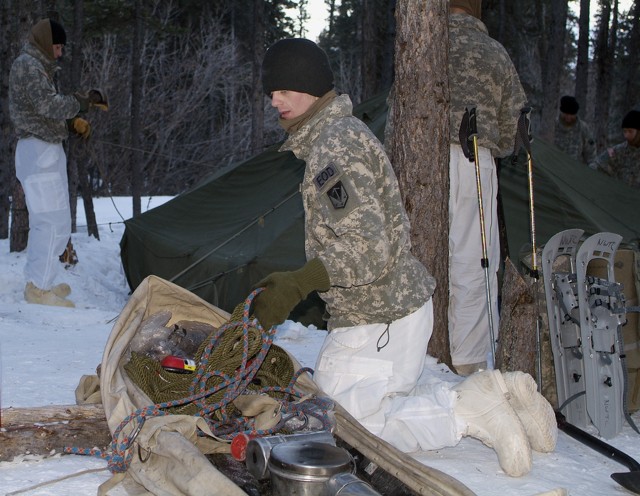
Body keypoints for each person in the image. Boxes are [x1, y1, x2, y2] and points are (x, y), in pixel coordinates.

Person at [254, 37, 556, 477]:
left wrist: (301, 282)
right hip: (394, 309)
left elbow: (369, 246)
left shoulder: (332, 150)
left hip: (376, 317)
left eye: (285, 88)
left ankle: (470, 411)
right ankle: (505, 391)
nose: (275, 100)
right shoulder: (339, 135)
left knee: (345, 429)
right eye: (271, 92)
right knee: (372, 403)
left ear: (313, 86)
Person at [447, 0, 527, 376]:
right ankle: (467, 359)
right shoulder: (494, 52)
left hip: (421, 167)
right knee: (476, 259)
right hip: (473, 159)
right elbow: (514, 124)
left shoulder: (428, 46)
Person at [9, 19, 106, 307]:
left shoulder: (38, 66)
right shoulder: (29, 64)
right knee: (49, 222)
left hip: (45, 149)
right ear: (44, 42)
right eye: (57, 46)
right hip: (38, 151)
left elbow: (43, 108)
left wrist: (71, 120)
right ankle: (38, 288)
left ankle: (44, 281)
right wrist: (81, 102)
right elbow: (47, 104)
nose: (60, 53)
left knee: (58, 220)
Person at [589, 110, 640, 189]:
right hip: (621, 198)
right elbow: (596, 166)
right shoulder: (617, 151)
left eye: (630, 131)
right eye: (625, 131)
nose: (626, 136)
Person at [554, 95, 596, 165]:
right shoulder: (553, 126)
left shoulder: (583, 128)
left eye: (571, 114)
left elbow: (591, 154)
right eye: (566, 114)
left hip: (575, 170)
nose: (568, 117)